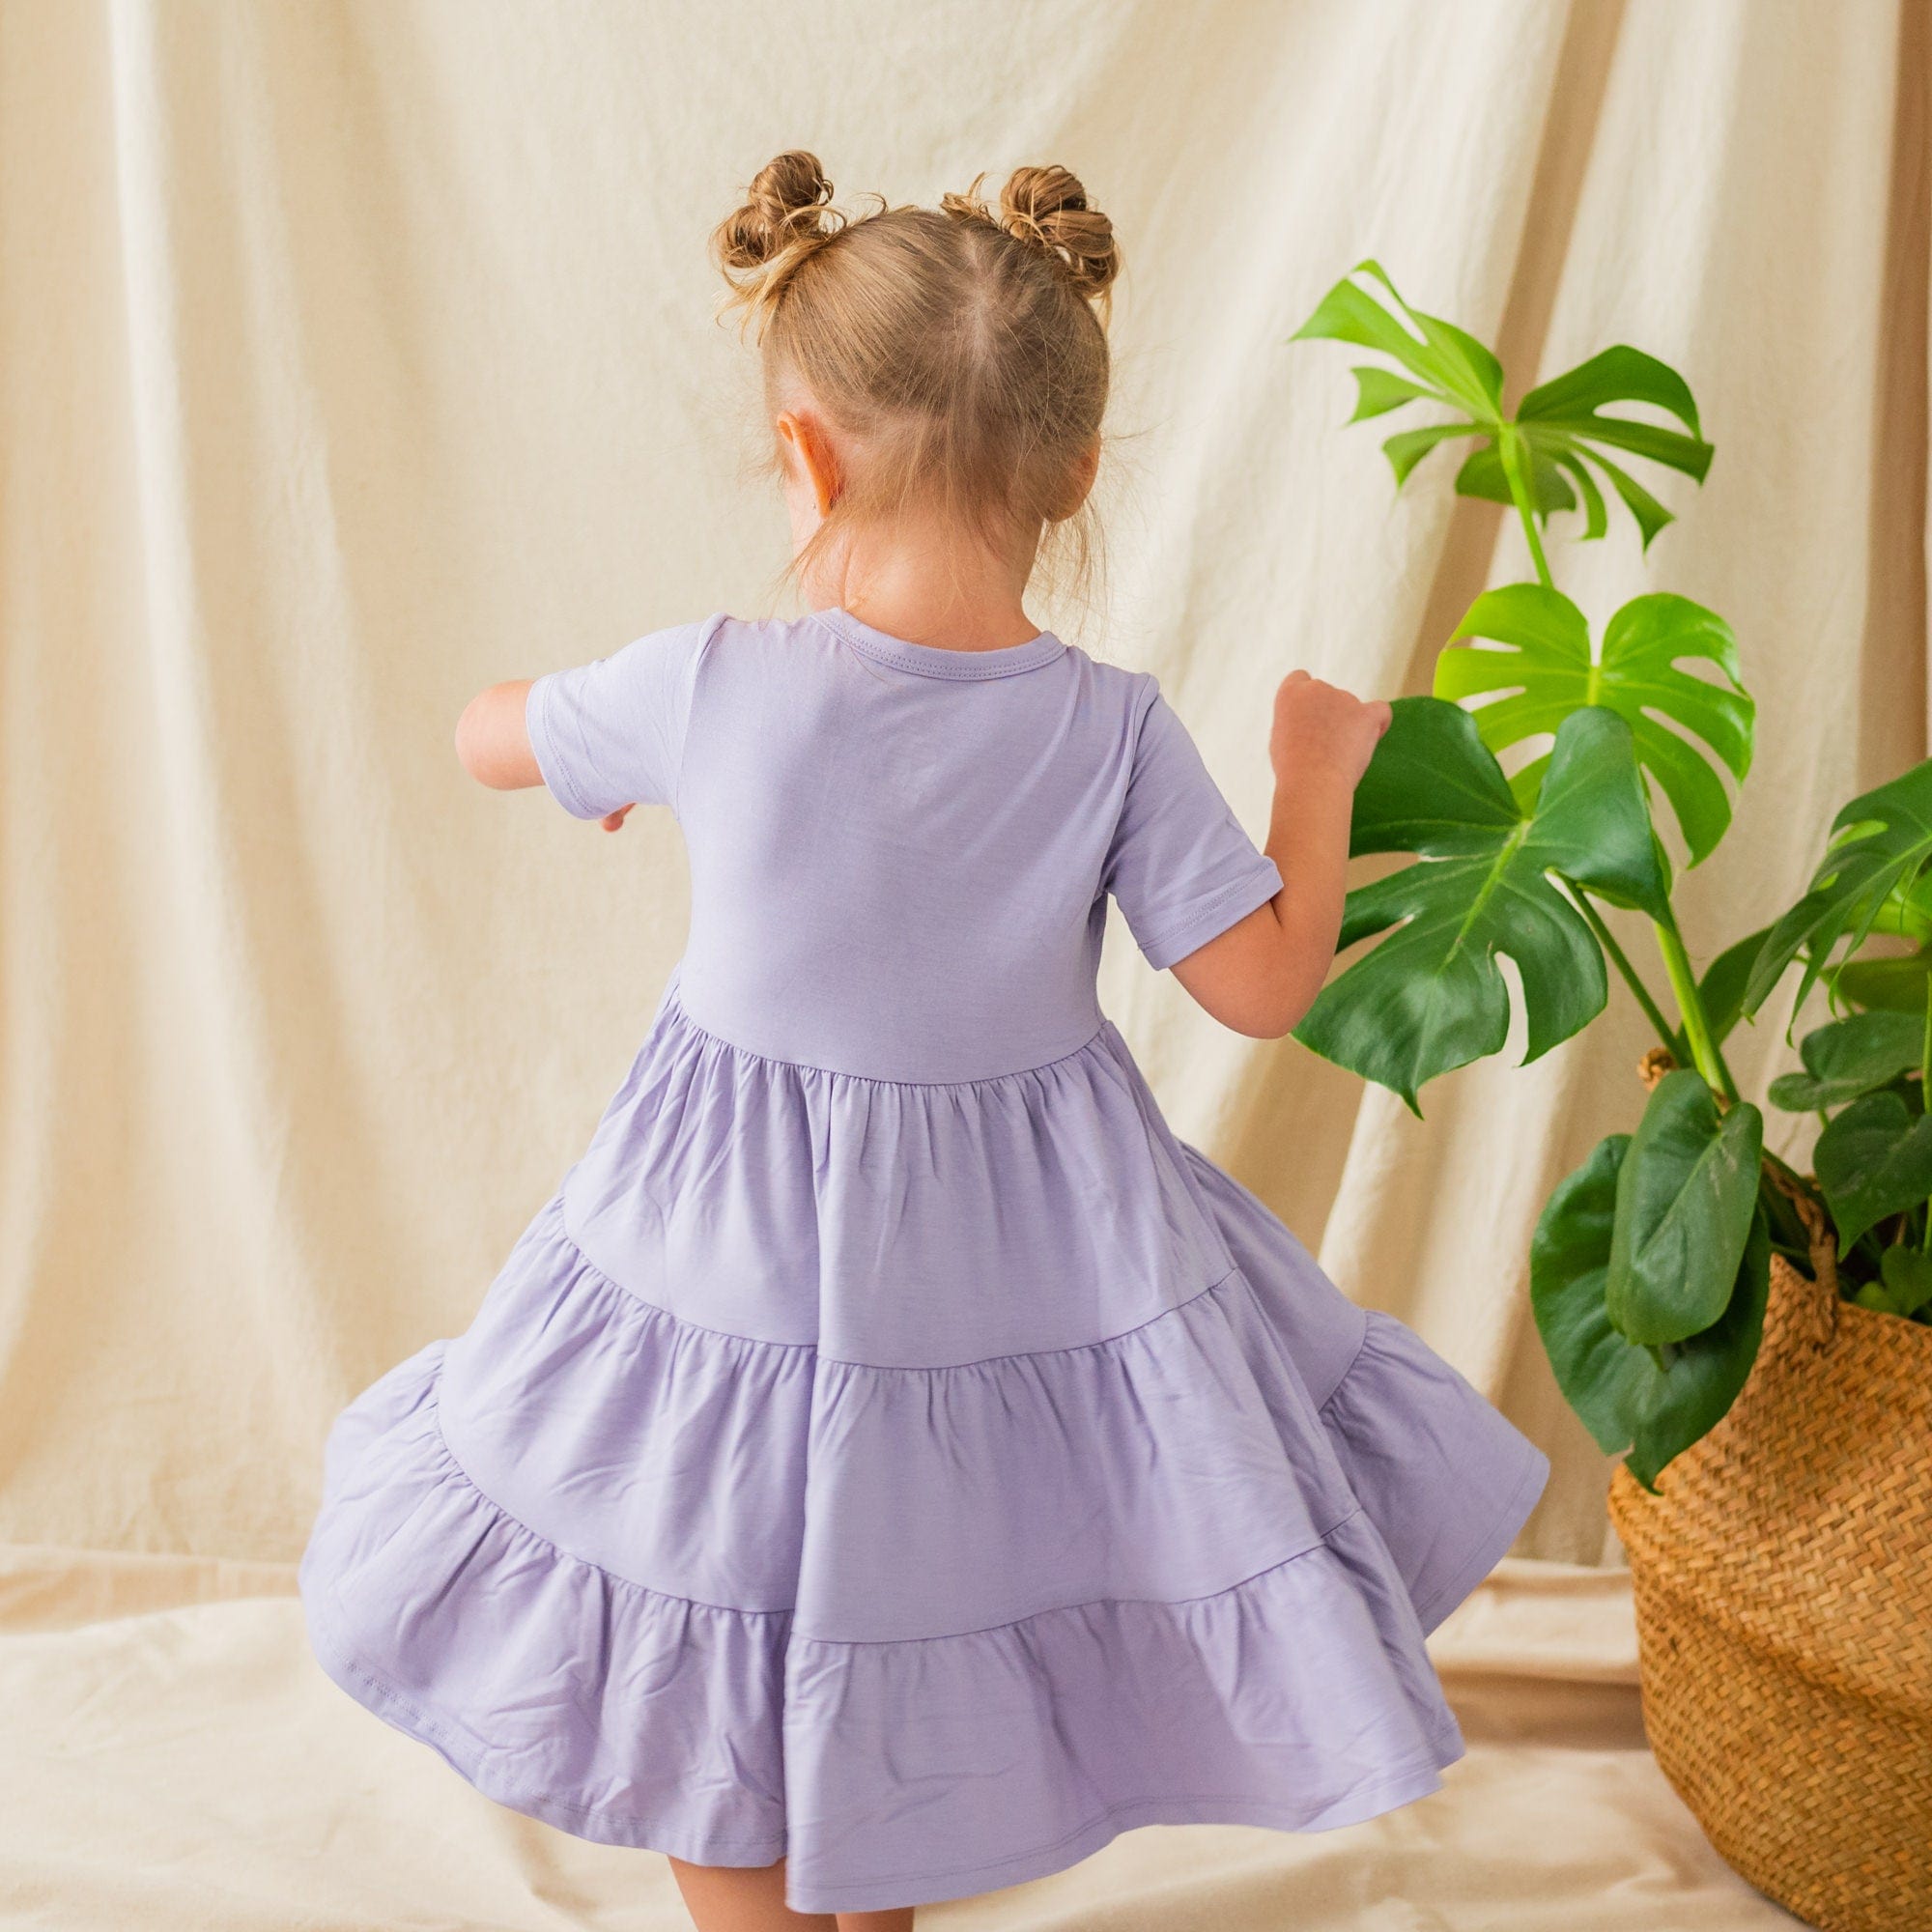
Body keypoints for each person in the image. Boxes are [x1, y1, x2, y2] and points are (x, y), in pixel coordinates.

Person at [298, 152, 1550, 1932]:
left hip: (727, 1253)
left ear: (803, 457)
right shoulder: (1113, 732)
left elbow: (482, 735)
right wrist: (1315, 778)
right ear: (1076, 472)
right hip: (1004, 1269)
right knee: (915, 1605)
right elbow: (1268, 986)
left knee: (716, 1594)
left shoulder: (710, 681)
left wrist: (582, 754)